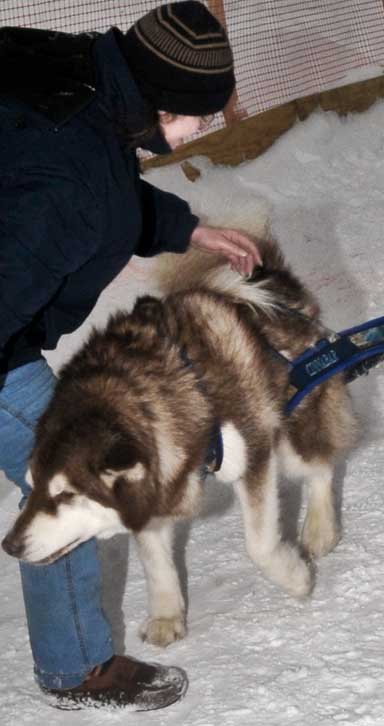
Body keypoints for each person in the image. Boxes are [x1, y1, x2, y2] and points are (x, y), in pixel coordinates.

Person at [0, 1, 263, 711]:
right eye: (199, 118)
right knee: (68, 482)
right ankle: (78, 669)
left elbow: (106, 193)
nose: (199, 132)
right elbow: (78, 194)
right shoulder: (71, 178)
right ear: (164, 101)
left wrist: (189, 231)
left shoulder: (83, 81)